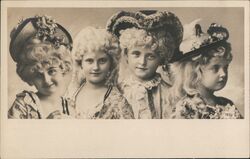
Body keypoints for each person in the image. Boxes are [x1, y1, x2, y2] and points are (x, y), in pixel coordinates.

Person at [106, 10, 183, 119]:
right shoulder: (117, 91)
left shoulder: (170, 94)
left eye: (150, 56)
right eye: (136, 54)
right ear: (127, 55)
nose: (142, 62)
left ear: (161, 58)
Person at [169, 20, 242, 119]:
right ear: (195, 71)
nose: (223, 73)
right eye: (215, 68)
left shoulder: (226, 104)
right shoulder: (186, 108)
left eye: (226, 67)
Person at [8, 15, 74, 119]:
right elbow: (13, 132)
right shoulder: (24, 105)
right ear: (29, 77)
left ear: (63, 68)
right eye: (38, 75)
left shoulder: (71, 107)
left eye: (51, 71)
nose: (47, 80)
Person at [66, 27, 134, 119]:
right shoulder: (72, 92)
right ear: (80, 63)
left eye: (102, 61)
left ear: (111, 63)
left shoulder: (118, 102)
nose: (96, 67)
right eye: (89, 61)